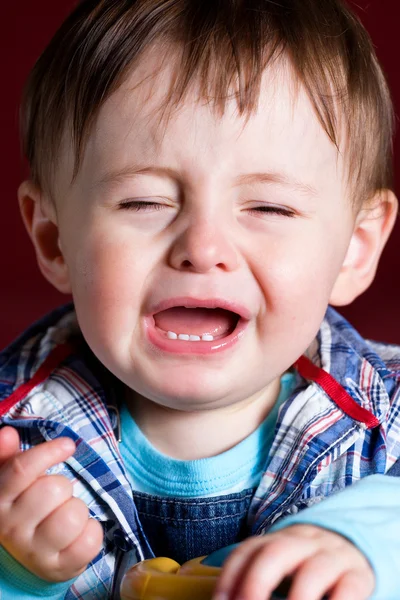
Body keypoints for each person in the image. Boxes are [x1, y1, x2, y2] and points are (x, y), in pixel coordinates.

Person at [1, 0, 400, 598]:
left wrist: (369, 541)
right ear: (55, 240)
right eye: (144, 202)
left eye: (269, 207)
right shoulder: (15, 438)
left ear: (354, 249)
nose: (202, 246)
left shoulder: (386, 421)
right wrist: (19, 574)